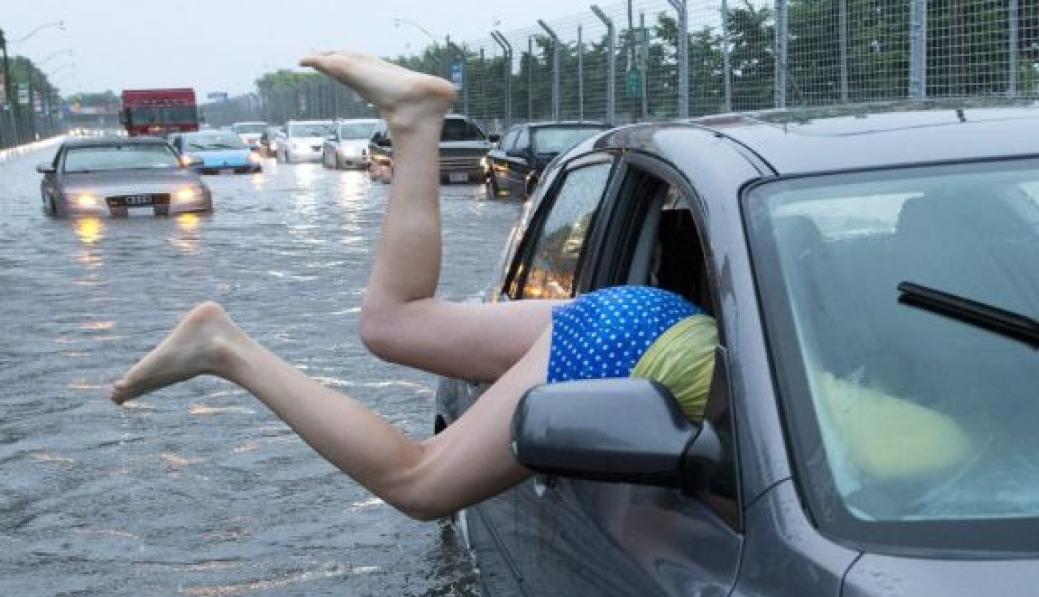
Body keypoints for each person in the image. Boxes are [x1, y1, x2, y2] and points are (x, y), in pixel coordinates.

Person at [109, 51, 716, 521]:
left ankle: (416, 123)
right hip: (642, 347)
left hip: (654, 321)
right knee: (420, 484)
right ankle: (227, 352)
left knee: (393, 322)